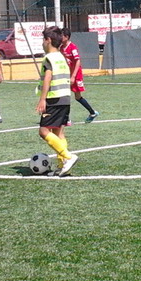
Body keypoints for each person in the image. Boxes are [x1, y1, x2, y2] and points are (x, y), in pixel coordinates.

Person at [36, 25, 78, 177]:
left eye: (43, 39)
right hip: (65, 98)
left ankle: (68, 157)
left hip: (53, 98)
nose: (42, 43)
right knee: (59, 132)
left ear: (48, 40)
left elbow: (48, 78)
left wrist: (42, 99)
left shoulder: (49, 58)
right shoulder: (62, 57)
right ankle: (62, 166)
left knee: (43, 131)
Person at [60, 28, 98, 123]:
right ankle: (67, 118)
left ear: (66, 37)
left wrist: (73, 76)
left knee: (77, 97)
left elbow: (78, 61)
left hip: (76, 76)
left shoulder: (72, 47)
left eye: (61, 36)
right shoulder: (61, 48)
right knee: (65, 95)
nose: (59, 37)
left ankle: (92, 113)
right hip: (67, 75)